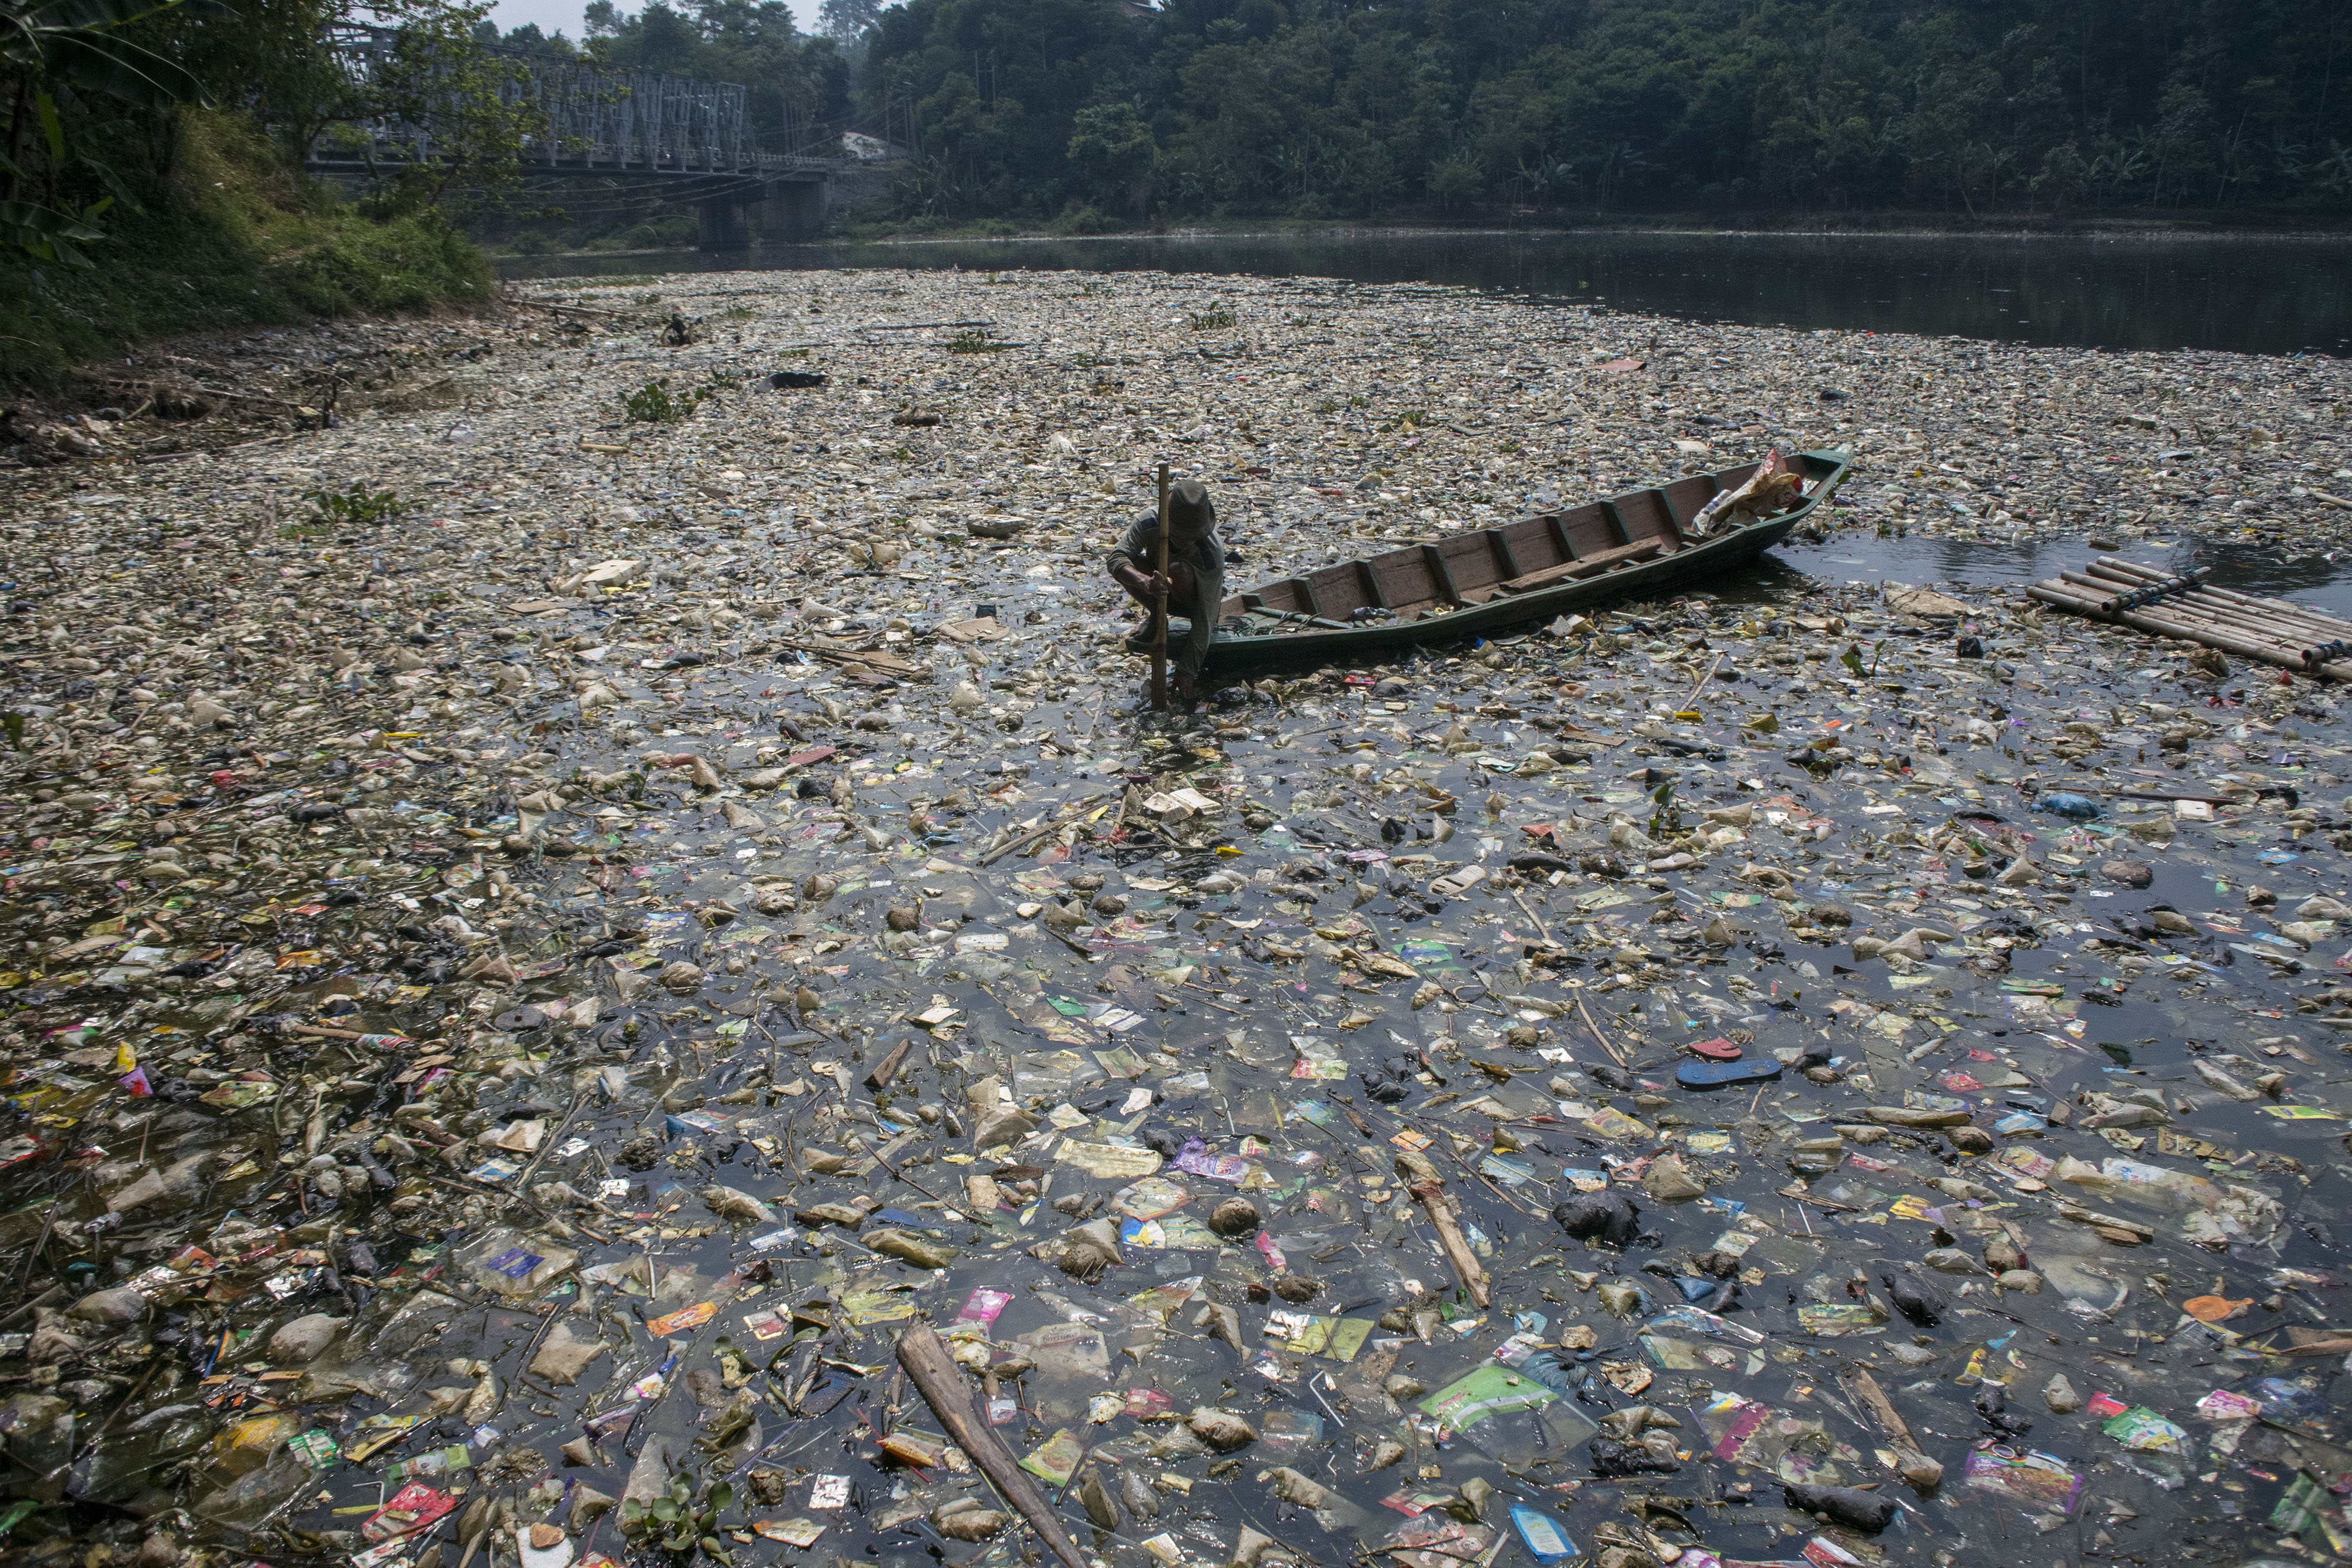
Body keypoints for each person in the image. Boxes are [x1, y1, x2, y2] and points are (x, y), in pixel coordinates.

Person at [1105, 479, 1222, 703]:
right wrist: (1145, 582)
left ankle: (1163, 607)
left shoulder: (1211, 551)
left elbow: (1207, 619)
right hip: (1156, 591)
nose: (1185, 541)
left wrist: (1187, 670)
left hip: (1193, 600)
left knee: (1179, 571)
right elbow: (1116, 558)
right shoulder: (1149, 521)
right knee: (1131, 564)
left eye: (1191, 536)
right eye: (1179, 534)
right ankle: (1158, 615)